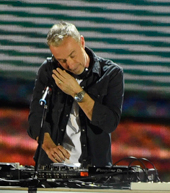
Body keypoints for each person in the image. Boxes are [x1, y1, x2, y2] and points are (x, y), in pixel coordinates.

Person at [27, 22, 124, 167]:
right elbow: (36, 117)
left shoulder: (111, 74)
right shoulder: (48, 71)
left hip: (94, 169)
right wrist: (49, 146)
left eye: (73, 55)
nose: (70, 65)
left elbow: (109, 123)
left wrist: (76, 92)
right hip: (52, 167)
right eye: (62, 61)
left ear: (82, 42)